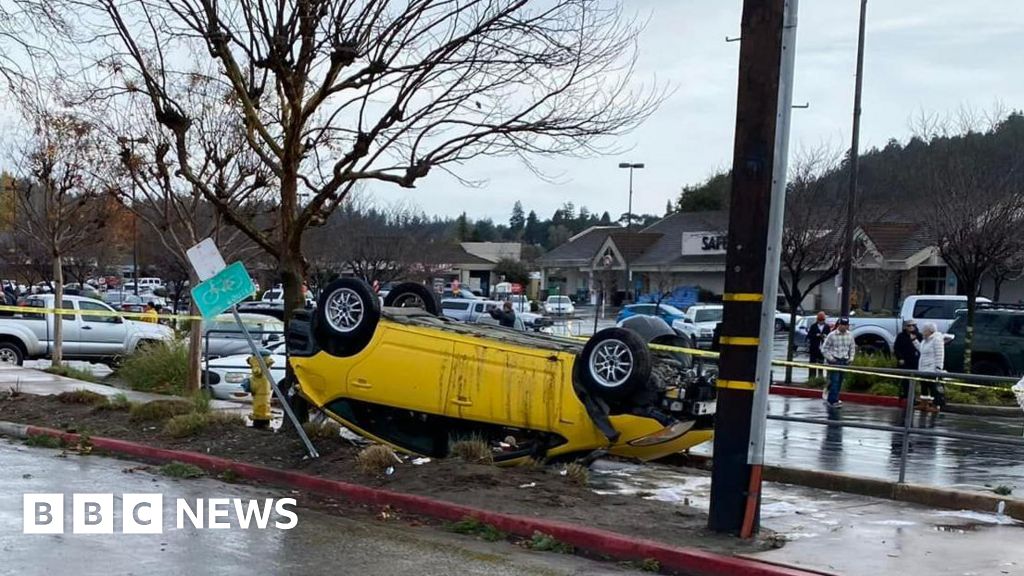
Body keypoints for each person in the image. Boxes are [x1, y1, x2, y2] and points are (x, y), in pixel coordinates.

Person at [821, 317, 855, 408]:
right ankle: (833, 401)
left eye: (845, 325)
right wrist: (831, 358)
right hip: (835, 360)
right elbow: (824, 349)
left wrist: (851, 358)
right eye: (842, 325)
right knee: (835, 380)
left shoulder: (850, 335)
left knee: (839, 381)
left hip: (845, 361)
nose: (844, 327)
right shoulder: (831, 335)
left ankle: (831, 393)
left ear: (847, 326)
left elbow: (852, 348)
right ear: (838, 325)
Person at [917, 321, 946, 412]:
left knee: (933, 387)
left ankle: (935, 405)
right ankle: (923, 403)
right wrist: (914, 341)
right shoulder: (925, 340)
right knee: (924, 386)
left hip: (932, 368)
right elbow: (922, 351)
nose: (922, 332)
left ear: (930, 331)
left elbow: (940, 354)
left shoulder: (937, 339)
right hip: (923, 367)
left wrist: (938, 367)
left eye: (924, 330)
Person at [893, 319, 922, 401]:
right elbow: (896, 348)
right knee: (905, 379)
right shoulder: (901, 336)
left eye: (913, 325)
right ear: (905, 327)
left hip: (915, 360)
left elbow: (921, 348)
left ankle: (912, 396)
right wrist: (900, 358)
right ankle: (905, 394)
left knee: (913, 380)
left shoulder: (919, 335)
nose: (911, 327)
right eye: (909, 326)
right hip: (904, 360)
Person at [807, 311, 830, 380]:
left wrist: (824, 336)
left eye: (822, 320)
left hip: (822, 348)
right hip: (814, 347)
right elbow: (809, 336)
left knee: (821, 363)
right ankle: (811, 378)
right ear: (817, 320)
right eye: (819, 320)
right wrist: (816, 335)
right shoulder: (813, 326)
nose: (821, 322)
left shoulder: (827, 327)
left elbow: (829, 336)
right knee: (812, 364)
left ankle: (820, 378)